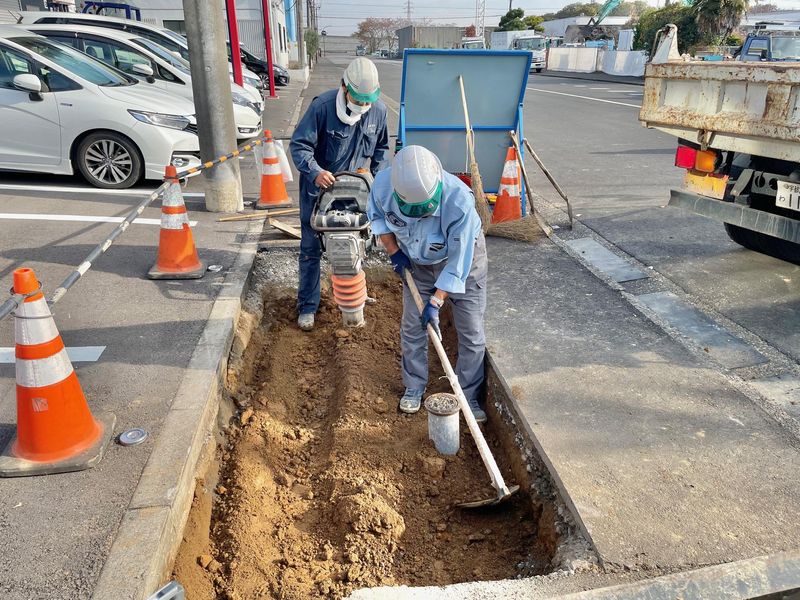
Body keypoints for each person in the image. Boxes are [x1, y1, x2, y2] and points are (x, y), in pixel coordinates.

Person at [367, 145, 488, 423]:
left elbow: (459, 262)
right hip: (416, 262)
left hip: (465, 261)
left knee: (470, 331)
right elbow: (378, 219)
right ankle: (414, 385)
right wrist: (394, 252)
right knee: (412, 326)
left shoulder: (459, 201)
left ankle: (467, 395)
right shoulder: (384, 185)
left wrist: (436, 300)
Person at [290, 57, 389, 331]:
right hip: (320, 190)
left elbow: (381, 149)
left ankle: (355, 295)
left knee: (356, 243)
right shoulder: (322, 107)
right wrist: (315, 171)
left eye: (368, 101)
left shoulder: (378, 111)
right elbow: (300, 146)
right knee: (311, 250)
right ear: (345, 88)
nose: (363, 106)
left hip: (356, 190)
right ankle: (308, 306)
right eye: (359, 100)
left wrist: (379, 181)